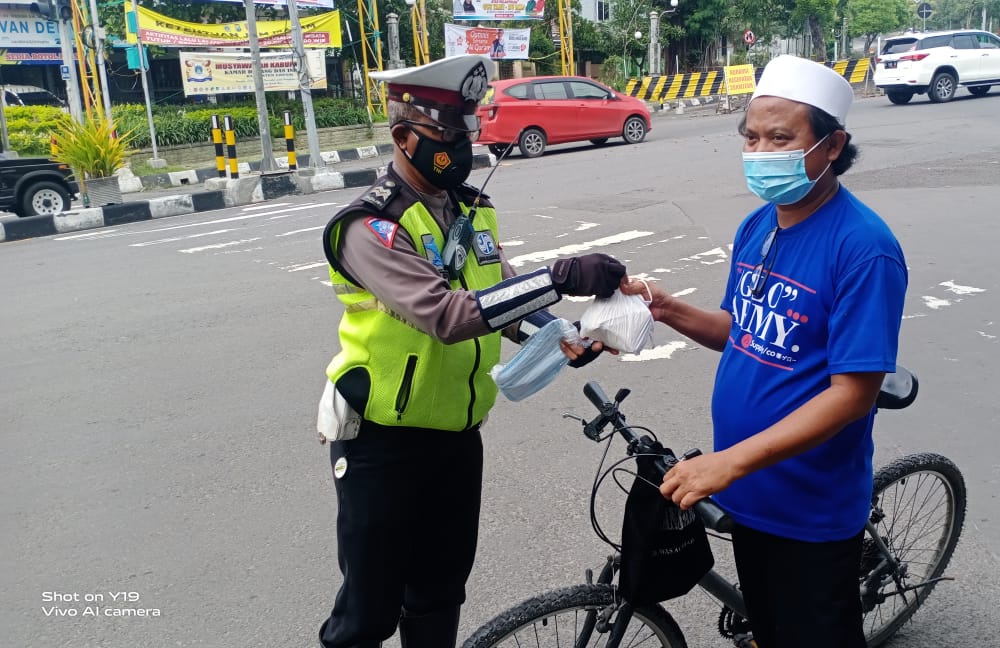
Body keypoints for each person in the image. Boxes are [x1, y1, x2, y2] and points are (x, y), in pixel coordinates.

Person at [315, 54, 626, 648]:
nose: (461, 149)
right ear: (403, 135)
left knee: (438, 597)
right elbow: (446, 316)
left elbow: (499, 294)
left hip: (458, 438)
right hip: (384, 441)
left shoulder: (473, 210)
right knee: (368, 613)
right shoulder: (369, 228)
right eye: (447, 137)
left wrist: (558, 330)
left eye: (468, 134)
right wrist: (559, 275)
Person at [620, 54, 908, 647]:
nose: (760, 151)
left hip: (809, 510)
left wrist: (731, 462)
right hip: (749, 490)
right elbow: (741, 328)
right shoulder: (758, 225)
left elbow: (854, 395)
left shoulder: (864, 248)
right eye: (750, 137)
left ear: (831, 146)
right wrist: (668, 309)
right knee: (769, 631)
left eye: (780, 137)